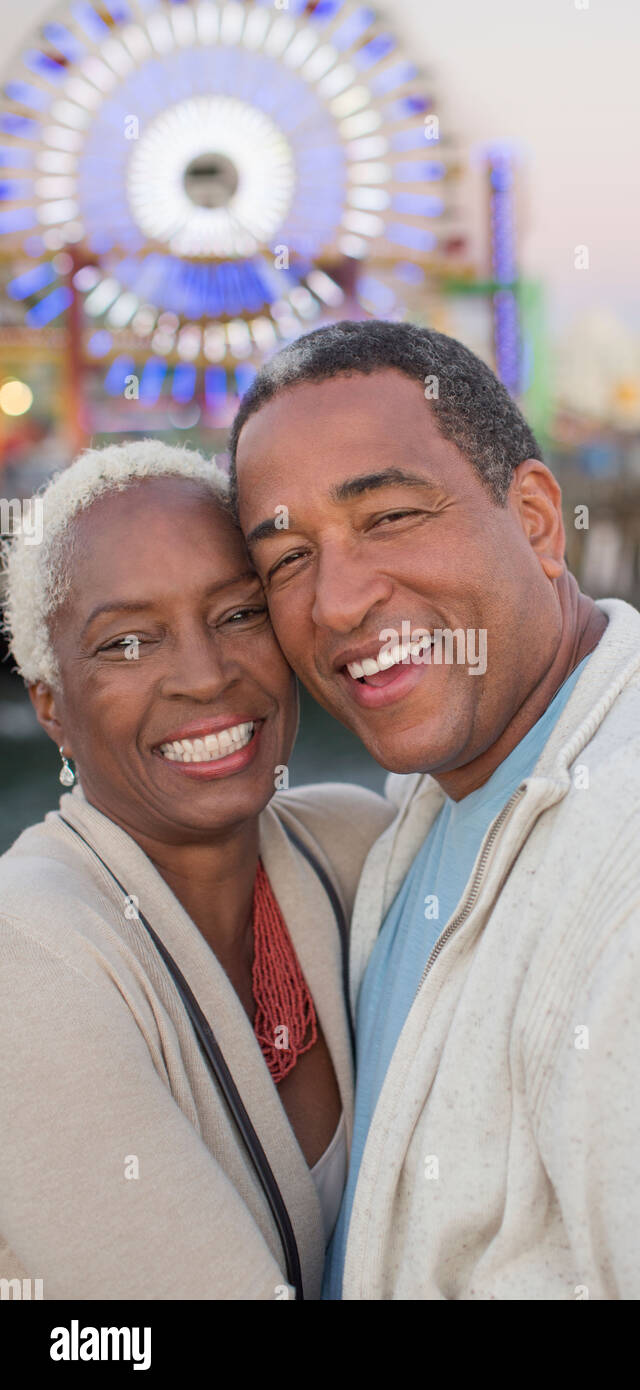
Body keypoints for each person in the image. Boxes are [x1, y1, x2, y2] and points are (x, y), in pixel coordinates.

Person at [229, 319, 640, 1301]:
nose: (338, 600)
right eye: (285, 561)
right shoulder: (441, 797)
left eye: (390, 515)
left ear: (532, 518)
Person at [0, 440, 392, 1300]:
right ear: (51, 703)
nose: (206, 676)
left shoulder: (359, 848)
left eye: (240, 614)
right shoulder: (27, 957)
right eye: (129, 643)